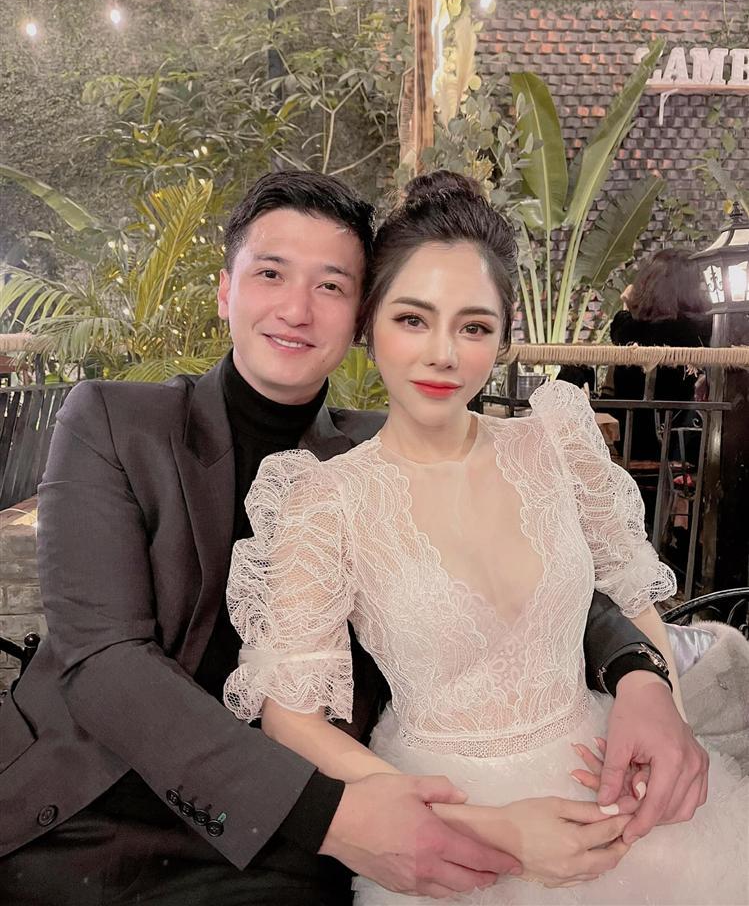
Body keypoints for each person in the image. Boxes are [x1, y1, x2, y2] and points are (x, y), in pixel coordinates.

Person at [0, 171, 708, 906]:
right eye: (271, 274)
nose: (297, 309)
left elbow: (545, 579)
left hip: (292, 840)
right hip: (99, 807)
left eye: (331, 286)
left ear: (357, 315)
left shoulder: (384, 449)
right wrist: (343, 817)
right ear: (225, 291)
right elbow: (105, 660)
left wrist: (641, 672)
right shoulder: (116, 421)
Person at [223, 171, 748, 905]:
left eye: (473, 327)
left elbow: (632, 600)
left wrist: (665, 711)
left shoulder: (557, 444)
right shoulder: (323, 500)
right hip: (451, 809)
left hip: (609, 774)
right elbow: (290, 718)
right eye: (413, 319)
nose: (443, 353)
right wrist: (482, 826)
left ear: (501, 338)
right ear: (369, 326)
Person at [606, 248, 712, 461]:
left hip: (631, 440)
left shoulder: (626, 328)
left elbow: (631, 322)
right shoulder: (702, 328)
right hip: (687, 442)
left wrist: (629, 304)